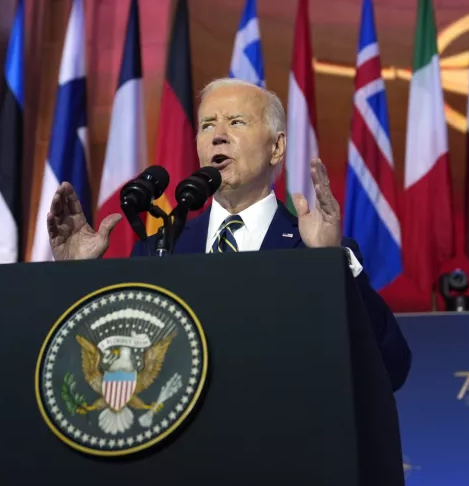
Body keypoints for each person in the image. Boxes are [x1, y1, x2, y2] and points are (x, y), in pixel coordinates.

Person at [45, 78, 411, 391]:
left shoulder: (319, 250)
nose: (218, 136)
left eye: (236, 122)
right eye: (207, 126)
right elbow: (108, 373)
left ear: (277, 147)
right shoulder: (160, 250)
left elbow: (390, 368)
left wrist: (333, 267)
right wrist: (77, 279)